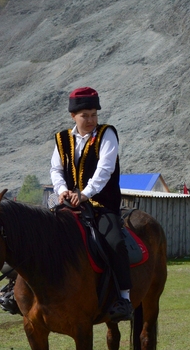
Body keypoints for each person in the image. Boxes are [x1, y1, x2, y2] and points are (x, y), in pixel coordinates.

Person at [50, 87, 132, 322]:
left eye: (94, 114)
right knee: (39, 233)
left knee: (115, 242)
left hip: (101, 205)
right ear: (73, 116)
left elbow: (105, 169)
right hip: (70, 204)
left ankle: (124, 297)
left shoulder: (107, 134)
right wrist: (62, 190)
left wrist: (85, 194)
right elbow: (56, 169)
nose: (91, 120)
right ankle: (17, 289)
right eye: (85, 115)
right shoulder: (62, 139)